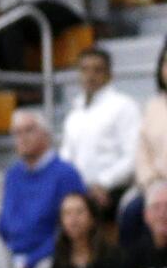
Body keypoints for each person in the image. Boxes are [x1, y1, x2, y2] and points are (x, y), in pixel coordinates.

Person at [0, 110, 86, 268]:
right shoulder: (12, 175)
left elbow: (69, 231)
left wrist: (28, 263)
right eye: (17, 133)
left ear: (46, 134)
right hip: (12, 256)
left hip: (49, 255)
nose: (22, 138)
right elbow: (3, 226)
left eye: (28, 130)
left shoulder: (65, 174)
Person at [59, 49, 141, 217]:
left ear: (109, 74)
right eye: (85, 69)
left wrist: (103, 183)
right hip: (80, 192)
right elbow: (66, 158)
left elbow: (133, 156)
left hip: (115, 190)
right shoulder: (74, 115)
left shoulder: (124, 106)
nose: (90, 75)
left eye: (97, 70)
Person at [124, 41, 167, 247]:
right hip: (158, 184)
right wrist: (150, 183)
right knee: (131, 210)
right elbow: (142, 153)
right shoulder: (152, 106)